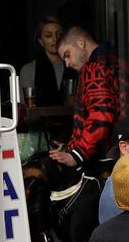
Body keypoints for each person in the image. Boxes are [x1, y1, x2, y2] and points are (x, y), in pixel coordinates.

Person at [49, 25, 124, 171]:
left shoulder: (94, 68)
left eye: (67, 54)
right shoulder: (117, 60)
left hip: (106, 159)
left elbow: (100, 118)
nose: (67, 64)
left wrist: (77, 154)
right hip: (122, 151)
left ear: (81, 43)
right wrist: (69, 146)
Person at [19, 16, 73, 107]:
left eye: (59, 34)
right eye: (48, 35)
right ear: (40, 41)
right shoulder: (28, 70)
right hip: (39, 121)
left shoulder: (74, 65)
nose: (55, 39)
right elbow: (25, 109)